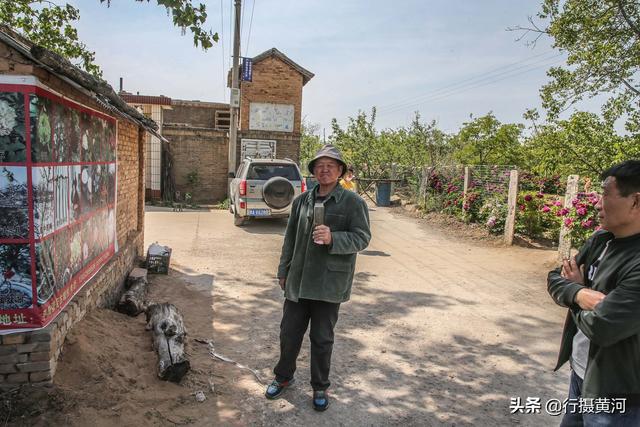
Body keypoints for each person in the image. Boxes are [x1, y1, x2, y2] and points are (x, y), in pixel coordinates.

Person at [265, 144, 371, 411]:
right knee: (289, 333)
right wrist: (282, 271)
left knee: (322, 339)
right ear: (313, 171)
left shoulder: (353, 203)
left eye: (331, 166)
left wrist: (334, 237)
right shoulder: (302, 200)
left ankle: (320, 387)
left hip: (328, 284)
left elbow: (362, 237)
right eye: (319, 166)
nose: (324, 170)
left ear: (340, 171)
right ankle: (283, 377)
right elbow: (289, 239)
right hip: (298, 282)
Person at [547, 160, 640, 426]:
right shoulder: (601, 240)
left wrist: (575, 295)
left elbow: (603, 328)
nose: (597, 204)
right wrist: (580, 295)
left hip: (617, 396)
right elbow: (555, 277)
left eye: (605, 195)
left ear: (635, 202)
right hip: (581, 375)